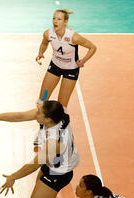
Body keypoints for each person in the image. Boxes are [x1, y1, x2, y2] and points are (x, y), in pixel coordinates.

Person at [34, 8, 96, 148]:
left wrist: (83, 60)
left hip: (70, 71)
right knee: (42, 101)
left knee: (62, 107)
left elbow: (93, 47)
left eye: (59, 19)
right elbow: (44, 42)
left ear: (65, 22)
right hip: (55, 67)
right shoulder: (48, 34)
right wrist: (40, 53)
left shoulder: (73, 37)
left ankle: (60, 135)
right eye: (54, 18)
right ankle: (41, 131)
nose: (55, 21)